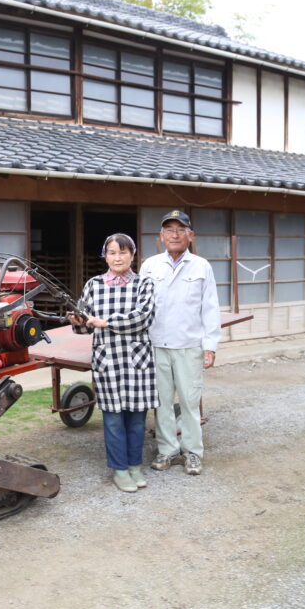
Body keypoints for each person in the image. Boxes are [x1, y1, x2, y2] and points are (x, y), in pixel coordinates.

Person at [68, 233, 156, 493]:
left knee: (137, 418)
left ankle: (135, 466)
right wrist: (78, 322)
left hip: (137, 360)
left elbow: (143, 318)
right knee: (114, 418)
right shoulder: (94, 285)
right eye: (112, 252)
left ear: (133, 255)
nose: (117, 257)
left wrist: (106, 322)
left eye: (123, 252)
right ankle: (119, 469)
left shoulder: (144, 284)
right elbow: (84, 326)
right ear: (104, 256)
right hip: (107, 359)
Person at [139, 210, 221, 476]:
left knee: (189, 401)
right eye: (169, 230)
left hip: (189, 345)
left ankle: (193, 452)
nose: (175, 234)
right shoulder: (150, 265)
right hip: (156, 344)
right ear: (161, 236)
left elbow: (210, 308)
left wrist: (210, 346)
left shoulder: (201, 266)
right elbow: (140, 308)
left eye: (180, 229)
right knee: (161, 402)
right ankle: (167, 450)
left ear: (190, 235)